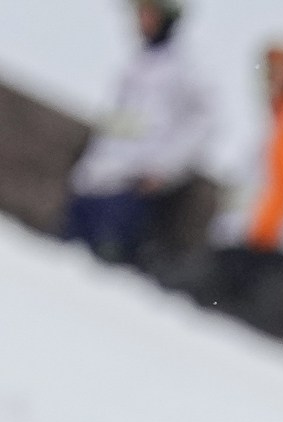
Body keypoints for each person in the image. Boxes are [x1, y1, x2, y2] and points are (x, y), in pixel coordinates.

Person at [60, 1, 214, 268]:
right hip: (94, 182)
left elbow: (204, 124)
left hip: (129, 190)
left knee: (101, 273)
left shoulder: (186, 72)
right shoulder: (138, 63)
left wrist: (163, 169)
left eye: (148, 13)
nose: (140, 20)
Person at [195, 38, 283, 323]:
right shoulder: (277, 124)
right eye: (269, 71)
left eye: (279, 72)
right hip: (247, 240)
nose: (270, 79)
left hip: (258, 248)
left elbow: (280, 190)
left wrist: (253, 239)